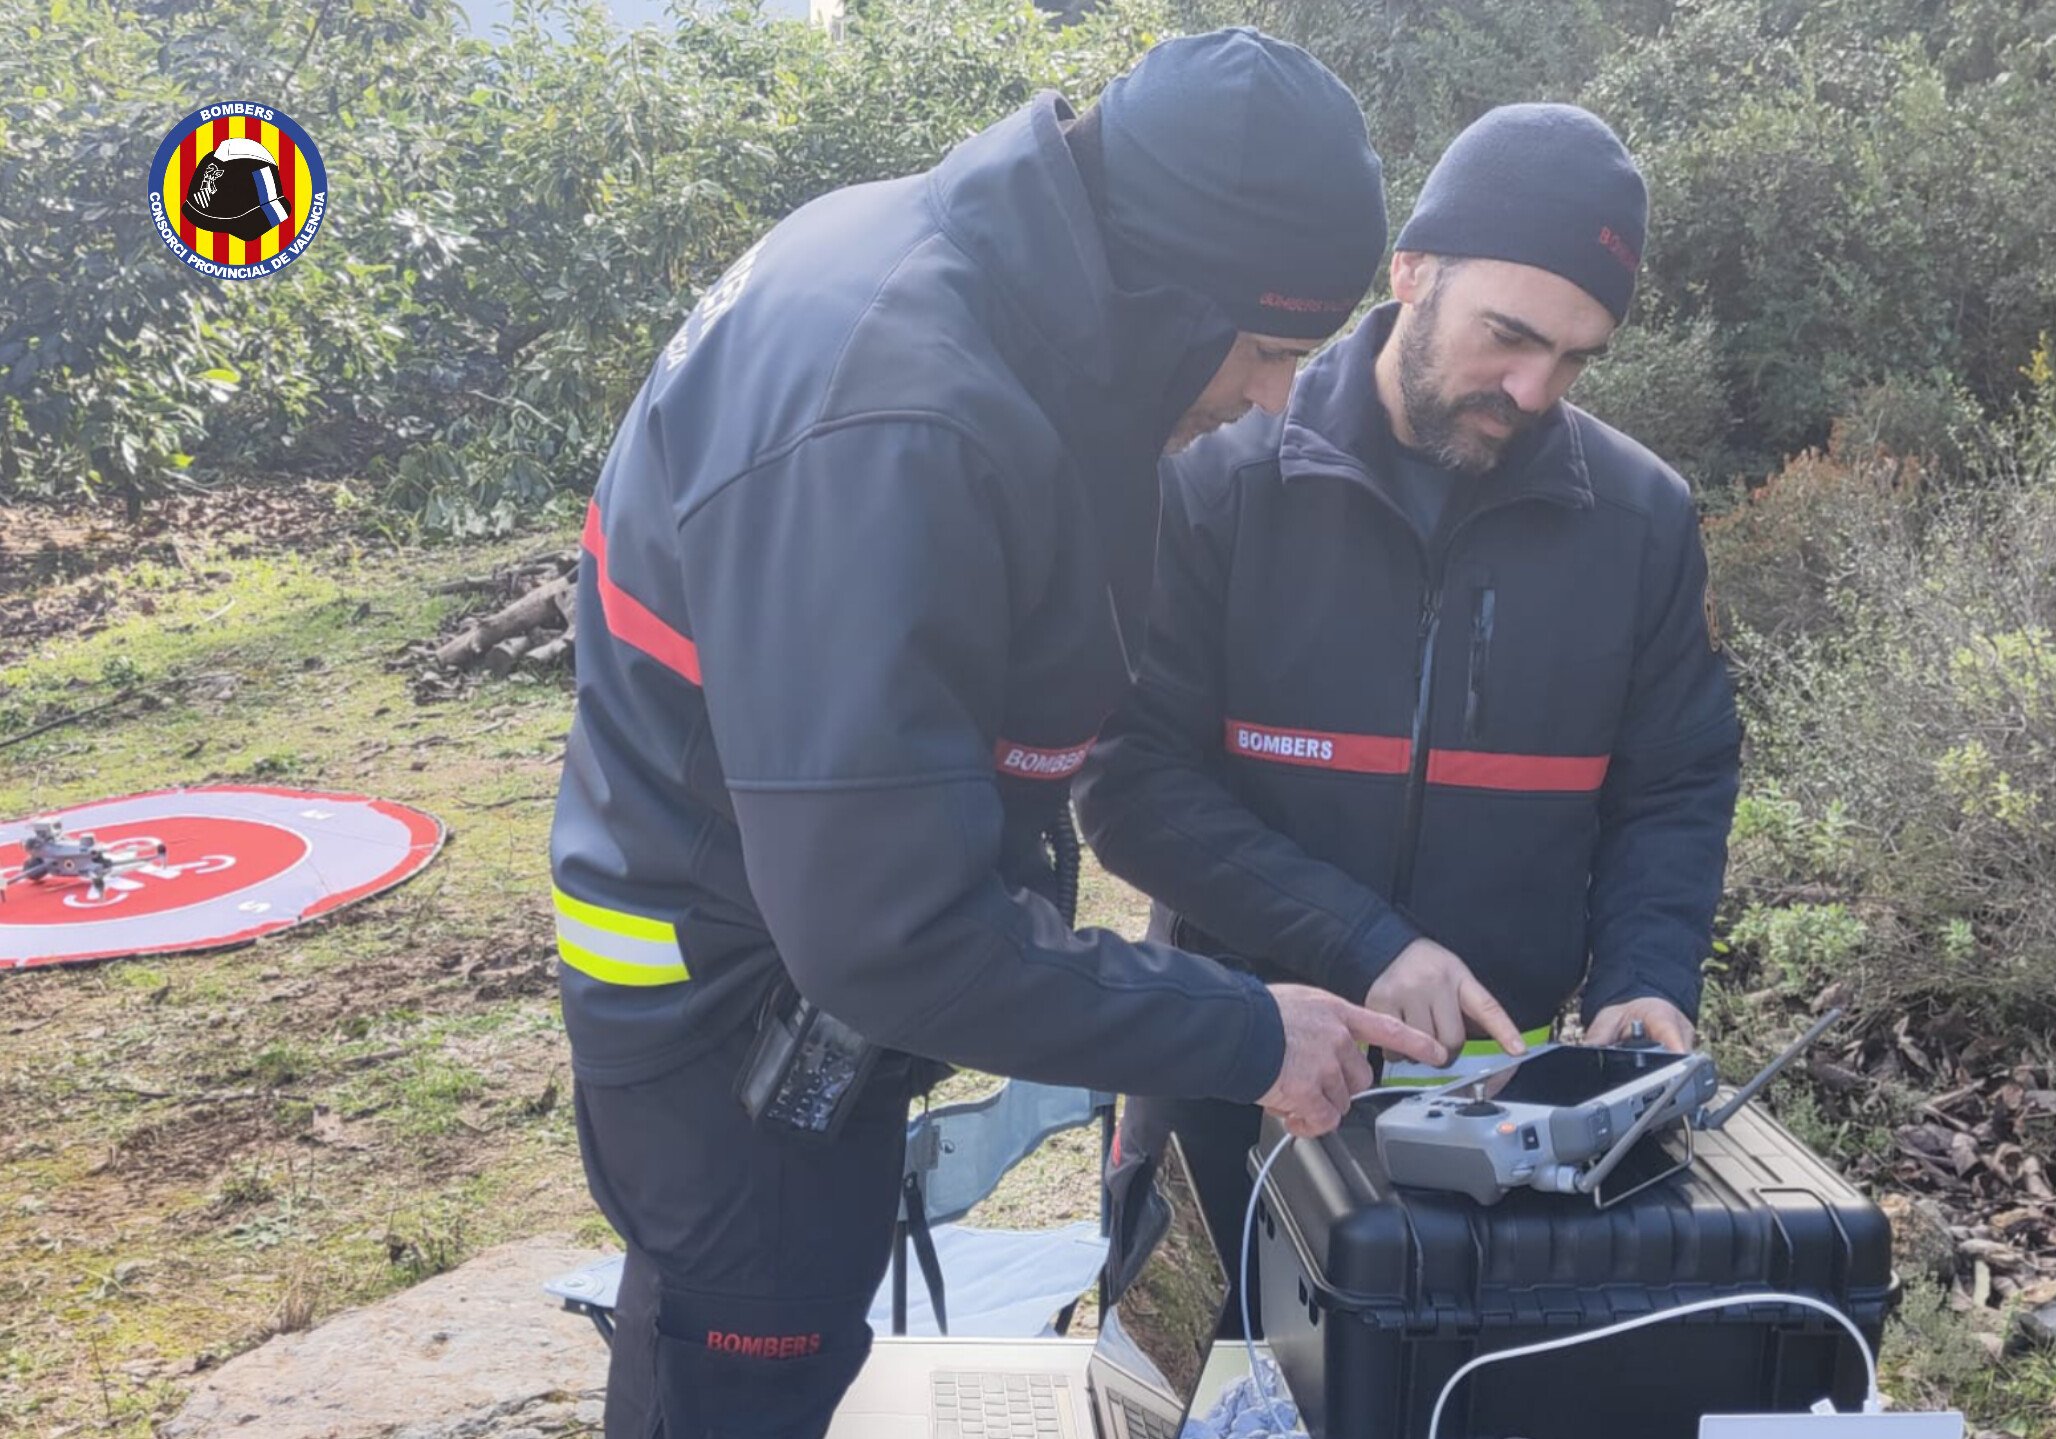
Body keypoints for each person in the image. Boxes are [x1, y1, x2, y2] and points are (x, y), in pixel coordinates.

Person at [548, 30, 1445, 1438]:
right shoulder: (903, 417)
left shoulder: (983, 280)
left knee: (768, 1335)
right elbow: (889, 930)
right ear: (1167, 285)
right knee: (750, 1362)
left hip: (775, 969)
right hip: (727, 1033)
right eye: (1270, 350)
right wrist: (1241, 1027)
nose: (1273, 401)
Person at [1076, 103, 1743, 1332]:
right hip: (1228, 1066)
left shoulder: (1643, 522)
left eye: (1577, 357)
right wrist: (1365, 939)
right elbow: (1127, 779)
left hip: (1505, 1114)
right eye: (1510, 337)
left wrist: (1648, 974)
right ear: (1412, 274)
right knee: (1200, 1395)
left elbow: (1675, 783)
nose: (1533, 387)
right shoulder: (1222, 468)